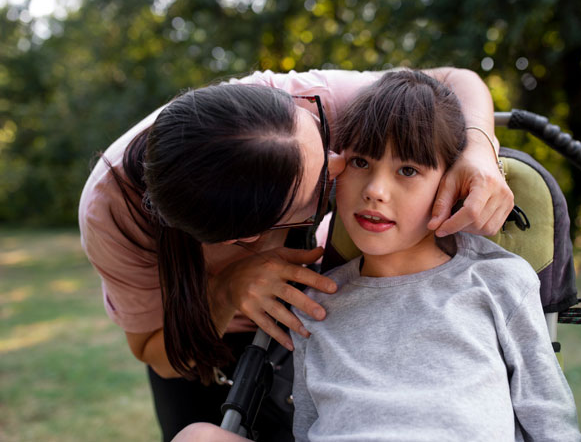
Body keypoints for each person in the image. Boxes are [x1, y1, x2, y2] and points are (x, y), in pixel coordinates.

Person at [78, 68, 513, 441]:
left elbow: (456, 80)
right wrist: (227, 292)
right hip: (202, 342)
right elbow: (153, 350)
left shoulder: (294, 106)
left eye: (323, 137)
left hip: (310, 311)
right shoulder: (111, 214)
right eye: (324, 181)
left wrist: (480, 147)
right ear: (252, 236)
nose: (343, 164)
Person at [290, 71, 581, 441]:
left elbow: (550, 420)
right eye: (361, 163)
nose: (376, 191)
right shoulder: (313, 304)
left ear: (452, 184)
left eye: (408, 170)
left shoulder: (498, 281)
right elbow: (305, 428)